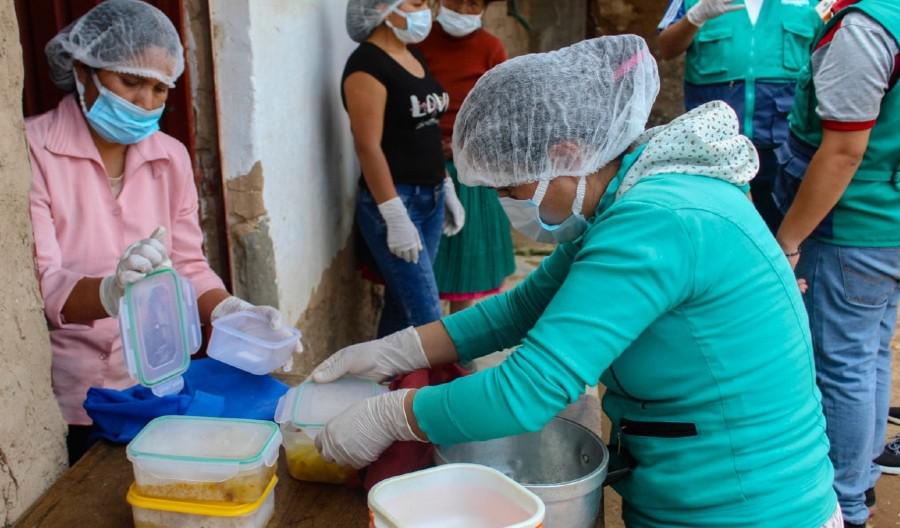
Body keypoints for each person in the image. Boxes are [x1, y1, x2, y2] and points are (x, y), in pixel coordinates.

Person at [311, 35, 841, 527]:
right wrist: (398, 350)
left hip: (745, 507)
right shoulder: (635, 193)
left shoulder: (655, 222)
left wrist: (389, 416)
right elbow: (522, 309)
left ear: (565, 155)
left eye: (510, 188)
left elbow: (527, 392)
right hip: (707, 486)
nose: (506, 206)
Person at [27, 0, 295, 464]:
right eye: (130, 82)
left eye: (159, 88)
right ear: (82, 70)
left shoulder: (169, 156)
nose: (145, 103)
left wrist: (234, 311)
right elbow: (43, 284)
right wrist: (111, 293)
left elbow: (189, 266)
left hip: (154, 381)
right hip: (70, 394)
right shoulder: (33, 149)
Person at [772, 0, 900, 524]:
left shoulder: (867, 28)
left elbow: (844, 151)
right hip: (886, 222)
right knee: (869, 353)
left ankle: (843, 503)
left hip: (854, 226)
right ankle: (861, 480)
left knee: (840, 365)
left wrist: (790, 238)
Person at [344, 0, 463, 337]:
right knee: (427, 314)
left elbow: (425, 130)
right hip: (397, 200)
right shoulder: (365, 67)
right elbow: (367, 146)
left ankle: (385, 380)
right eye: (415, 2)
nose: (424, 9)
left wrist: (446, 185)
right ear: (384, 8)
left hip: (432, 196)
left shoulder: (414, 55)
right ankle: (444, 383)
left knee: (403, 303)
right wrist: (394, 214)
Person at [657, 0, 823, 233]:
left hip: (784, 155)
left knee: (780, 237)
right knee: (716, 234)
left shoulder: (814, 3)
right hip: (712, 155)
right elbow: (666, 48)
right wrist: (694, 18)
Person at [414, 0, 515, 313]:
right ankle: (423, 339)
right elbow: (408, 97)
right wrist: (431, 141)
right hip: (422, 160)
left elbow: (499, 110)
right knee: (425, 265)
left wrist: (461, 144)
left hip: (470, 163)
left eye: (474, 3)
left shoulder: (490, 48)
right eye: (457, 0)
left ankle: (458, 347)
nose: (463, 8)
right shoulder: (419, 42)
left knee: (468, 266)